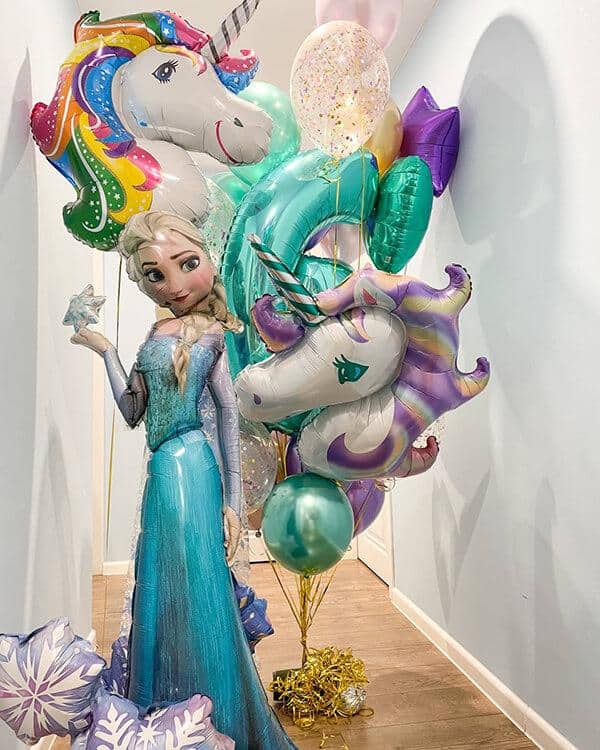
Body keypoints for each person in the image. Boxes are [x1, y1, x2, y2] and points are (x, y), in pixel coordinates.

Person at [71, 210, 297, 749]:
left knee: (199, 584)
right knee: (161, 582)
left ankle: (215, 714)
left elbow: (228, 416)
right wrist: (106, 351)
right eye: (155, 274)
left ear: (206, 259)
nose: (173, 284)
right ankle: (164, 719)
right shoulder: (156, 331)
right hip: (162, 471)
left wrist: (233, 503)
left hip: (193, 468)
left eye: (186, 264)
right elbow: (133, 412)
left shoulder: (213, 334)